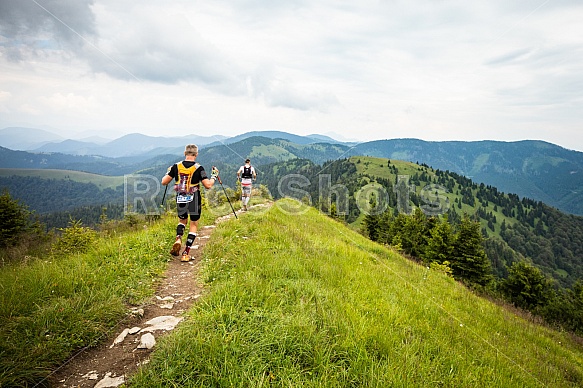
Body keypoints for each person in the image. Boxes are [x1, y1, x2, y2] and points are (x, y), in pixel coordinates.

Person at [161, 144, 219, 262]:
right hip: (194, 197)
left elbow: (164, 182)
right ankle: (186, 253)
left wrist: (168, 173)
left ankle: (178, 238)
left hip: (180, 197)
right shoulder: (199, 168)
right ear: (196, 154)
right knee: (193, 224)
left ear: (184, 153)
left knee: (182, 220)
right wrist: (214, 176)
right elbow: (207, 185)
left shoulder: (176, 166)